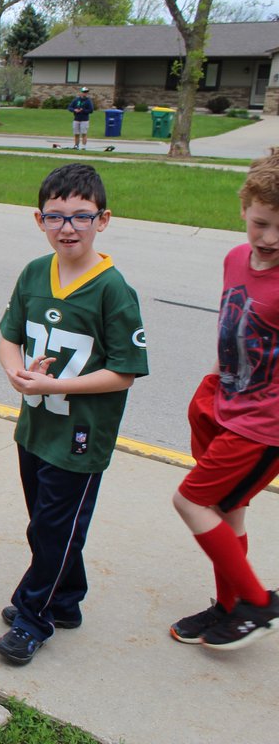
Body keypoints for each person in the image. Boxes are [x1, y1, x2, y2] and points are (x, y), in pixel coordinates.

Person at [0, 162, 148, 665]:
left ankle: (32, 616)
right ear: (38, 220)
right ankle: (64, 601)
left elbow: (124, 371)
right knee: (45, 523)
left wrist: (57, 383)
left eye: (81, 217)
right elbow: (8, 338)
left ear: (103, 221)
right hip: (36, 423)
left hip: (80, 435)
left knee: (56, 527)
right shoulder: (35, 273)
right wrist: (17, 372)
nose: (67, 228)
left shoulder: (113, 289)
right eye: (55, 217)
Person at [169, 148, 279, 650]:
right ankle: (229, 607)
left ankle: (256, 602)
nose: (270, 238)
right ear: (244, 208)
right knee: (227, 511)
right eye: (261, 224)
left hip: (264, 427)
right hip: (227, 409)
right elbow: (231, 328)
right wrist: (211, 385)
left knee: (191, 501)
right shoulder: (235, 258)